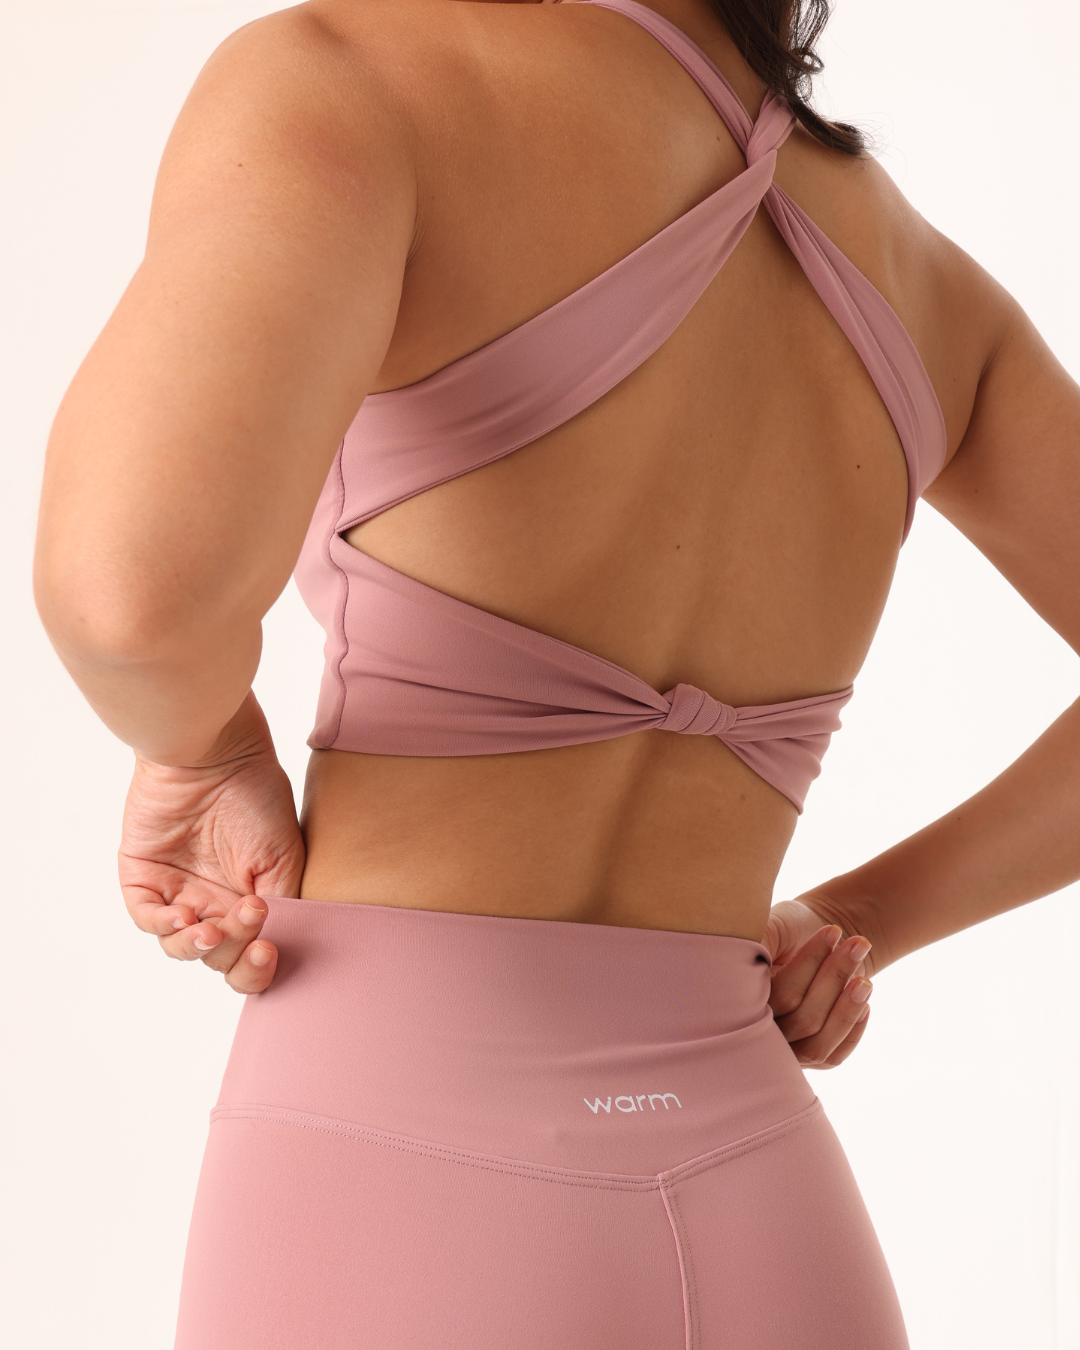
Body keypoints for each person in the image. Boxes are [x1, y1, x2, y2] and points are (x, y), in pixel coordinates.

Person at [32, 0, 1080, 1345]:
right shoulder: (924, 283)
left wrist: (206, 754)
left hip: (396, 1176)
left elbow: (130, 601)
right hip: (770, 1205)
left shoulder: (354, 83)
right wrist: (856, 915)